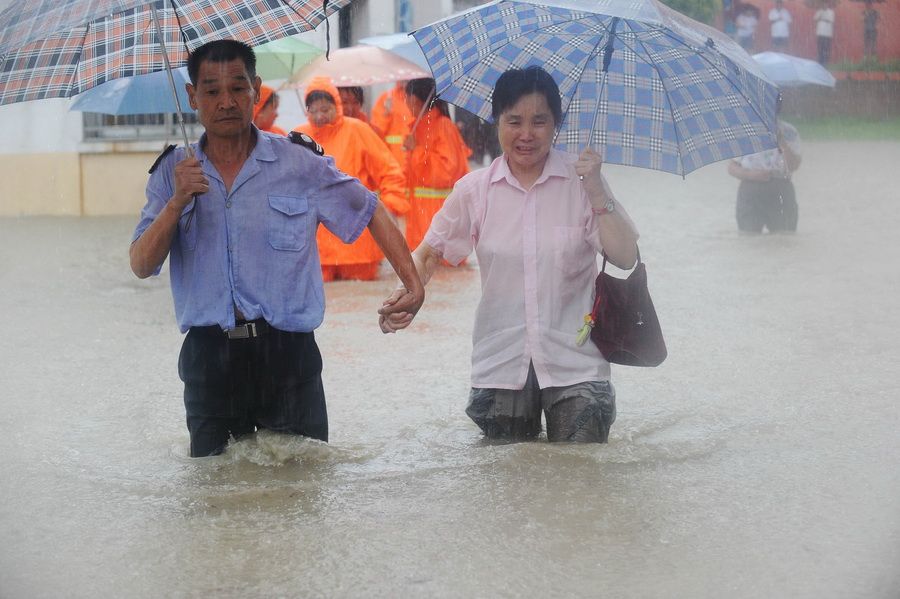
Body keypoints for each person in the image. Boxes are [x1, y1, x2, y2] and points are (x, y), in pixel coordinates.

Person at [129, 40, 424, 457]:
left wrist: (413, 284)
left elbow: (369, 209)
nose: (227, 101)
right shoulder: (172, 173)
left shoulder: (298, 162)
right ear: (193, 96)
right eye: (211, 91)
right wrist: (177, 201)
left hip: (288, 355)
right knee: (217, 496)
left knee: (301, 490)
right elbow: (141, 264)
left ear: (256, 89)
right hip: (209, 359)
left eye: (238, 87)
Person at [381, 66, 640, 443]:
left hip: (577, 363)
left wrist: (598, 192)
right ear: (496, 121)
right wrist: (409, 295)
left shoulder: (583, 183)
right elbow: (430, 253)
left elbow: (625, 256)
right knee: (505, 480)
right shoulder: (474, 190)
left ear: (556, 124)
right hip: (500, 363)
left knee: (581, 478)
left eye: (539, 121)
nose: (526, 134)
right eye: (514, 120)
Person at [294, 77, 410, 281]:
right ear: (307, 111)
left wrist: (390, 207)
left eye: (325, 109)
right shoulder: (299, 136)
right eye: (314, 110)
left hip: (358, 245)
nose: (320, 116)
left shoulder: (357, 130)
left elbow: (389, 170)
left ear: (336, 106)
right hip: (317, 248)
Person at [403, 77, 472, 252]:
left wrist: (416, 150)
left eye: (410, 101)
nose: (407, 106)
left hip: (438, 216)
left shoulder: (443, 127)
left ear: (422, 101)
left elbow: (444, 173)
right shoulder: (418, 127)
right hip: (421, 218)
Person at [727, 99, 802, 233]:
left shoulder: (790, 132)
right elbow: (732, 167)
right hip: (750, 190)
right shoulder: (745, 132)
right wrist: (751, 175)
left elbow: (794, 166)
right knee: (748, 238)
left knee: (785, 237)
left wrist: (781, 142)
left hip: (781, 188)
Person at [370, 81, 415, 176]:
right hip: (391, 162)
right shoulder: (386, 99)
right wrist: (386, 115)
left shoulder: (417, 99)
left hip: (414, 161)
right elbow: (375, 134)